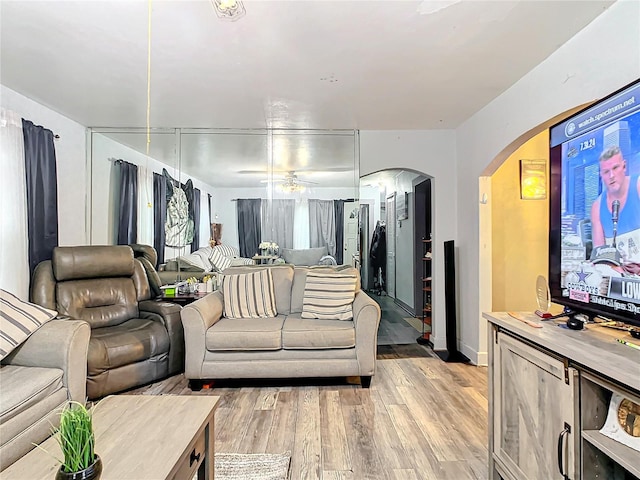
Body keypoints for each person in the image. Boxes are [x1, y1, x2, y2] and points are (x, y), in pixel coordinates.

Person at [590, 146, 640, 275]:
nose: (611, 176)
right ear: (601, 175)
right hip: (619, 278)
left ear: (624, 166)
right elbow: (599, 256)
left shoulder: (638, 187)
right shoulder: (597, 207)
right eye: (606, 172)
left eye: (615, 168)